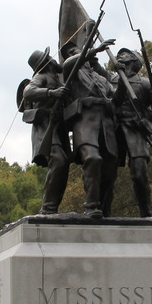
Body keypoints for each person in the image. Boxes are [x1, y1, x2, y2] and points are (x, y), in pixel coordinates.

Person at [60, 33, 119, 219]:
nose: (75, 53)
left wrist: (122, 76)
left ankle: (103, 208)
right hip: (85, 123)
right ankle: (91, 206)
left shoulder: (101, 78)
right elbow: (69, 64)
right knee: (93, 159)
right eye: (71, 52)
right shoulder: (71, 72)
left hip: (106, 125)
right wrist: (91, 50)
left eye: (76, 50)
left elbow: (116, 97)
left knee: (110, 170)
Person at [110, 48, 152, 217]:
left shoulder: (144, 83)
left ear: (133, 63)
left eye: (125, 57)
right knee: (106, 174)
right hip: (113, 131)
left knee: (139, 173)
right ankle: (102, 211)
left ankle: (146, 212)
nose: (120, 58)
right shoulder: (111, 79)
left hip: (135, 130)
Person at [20, 48, 72, 214]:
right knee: (59, 160)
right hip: (44, 128)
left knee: (63, 165)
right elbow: (28, 92)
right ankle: (48, 208)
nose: (53, 59)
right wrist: (52, 93)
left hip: (58, 128)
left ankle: (52, 207)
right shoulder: (41, 77)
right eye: (49, 57)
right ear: (46, 63)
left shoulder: (57, 78)